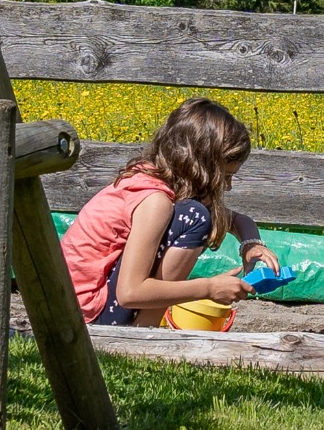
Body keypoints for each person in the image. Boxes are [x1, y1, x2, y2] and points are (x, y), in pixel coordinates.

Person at [61, 97, 284, 326]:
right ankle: (141, 335)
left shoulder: (156, 180)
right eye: (225, 176)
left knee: (195, 213)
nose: (227, 186)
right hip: (85, 317)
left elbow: (236, 219)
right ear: (202, 167)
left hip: (72, 307)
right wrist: (208, 288)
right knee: (196, 217)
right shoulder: (155, 202)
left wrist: (251, 243)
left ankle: (144, 331)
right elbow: (129, 292)